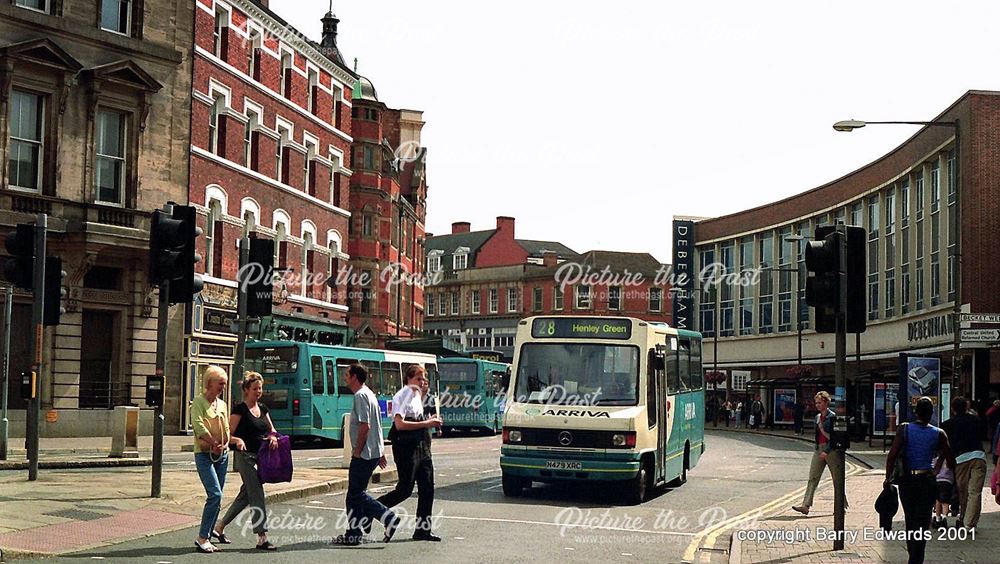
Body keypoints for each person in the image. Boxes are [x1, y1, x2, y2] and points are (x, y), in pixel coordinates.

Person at [375, 364, 444, 541]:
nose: (421, 382)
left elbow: (417, 420)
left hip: (422, 446)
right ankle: (371, 509)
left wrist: (430, 421)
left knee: (427, 488)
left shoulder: (416, 395)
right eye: (418, 379)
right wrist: (427, 424)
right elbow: (400, 424)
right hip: (406, 447)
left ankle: (423, 530)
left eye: (423, 379)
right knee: (404, 489)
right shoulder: (402, 396)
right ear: (408, 379)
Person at [334, 364, 399, 546]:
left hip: (363, 454)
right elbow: (377, 426)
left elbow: (365, 426)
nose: (345, 378)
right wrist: (380, 452)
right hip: (372, 452)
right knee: (354, 494)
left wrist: (357, 451)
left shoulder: (361, 396)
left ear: (355, 377)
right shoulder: (369, 394)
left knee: (356, 494)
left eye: (347, 375)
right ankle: (354, 533)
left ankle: (388, 517)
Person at [214, 372, 279, 551]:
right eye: (255, 389)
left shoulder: (263, 409)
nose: (258, 392)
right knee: (257, 492)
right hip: (245, 457)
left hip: (260, 458)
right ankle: (262, 537)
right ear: (246, 390)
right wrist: (237, 440)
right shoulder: (240, 410)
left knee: (246, 495)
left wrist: (273, 437)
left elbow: (272, 429)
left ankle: (220, 526)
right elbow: (228, 433)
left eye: (260, 388)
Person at [885, 397, 956, 564]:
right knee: (922, 522)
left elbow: (892, 456)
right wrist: (936, 466)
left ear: (915, 412)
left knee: (910, 519)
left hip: (907, 481)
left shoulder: (904, 429)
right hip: (927, 481)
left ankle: (913, 556)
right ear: (932, 414)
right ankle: (917, 558)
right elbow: (951, 461)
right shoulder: (939, 433)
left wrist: (887, 479)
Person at [192, 366, 237, 554]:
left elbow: (226, 427)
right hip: (204, 454)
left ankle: (208, 536)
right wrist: (213, 442)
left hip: (222, 455)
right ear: (209, 383)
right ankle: (202, 538)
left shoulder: (222, 404)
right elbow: (198, 426)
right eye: (220, 384)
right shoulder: (198, 403)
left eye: (225, 384)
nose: (223, 387)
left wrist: (226, 444)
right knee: (215, 494)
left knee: (218, 499)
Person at [792, 391, 846, 515]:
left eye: (820, 403)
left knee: (837, 480)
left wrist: (826, 451)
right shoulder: (817, 417)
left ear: (826, 403)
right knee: (813, 477)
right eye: (816, 403)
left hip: (831, 450)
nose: (817, 405)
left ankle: (840, 507)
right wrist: (818, 448)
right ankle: (805, 505)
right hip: (818, 449)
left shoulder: (833, 417)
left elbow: (835, 437)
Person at [941, 397, 988, 530]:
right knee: (975, 491)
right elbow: (984, 435)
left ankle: (963, 517)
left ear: (952, 408)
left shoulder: (947, 424)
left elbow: (946, 446)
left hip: (960, 459)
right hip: (979, 457)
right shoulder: (976, 420)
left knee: (963, 491)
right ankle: (969, 523)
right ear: (966, 407)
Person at [932, 452, 955, 529]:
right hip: (948, 482)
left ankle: (938, 518)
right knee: (946, 502)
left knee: (938, 500)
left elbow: (932, 469)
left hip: (937, 481)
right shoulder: (950, 459)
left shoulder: (936, 460)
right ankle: (945, 517)